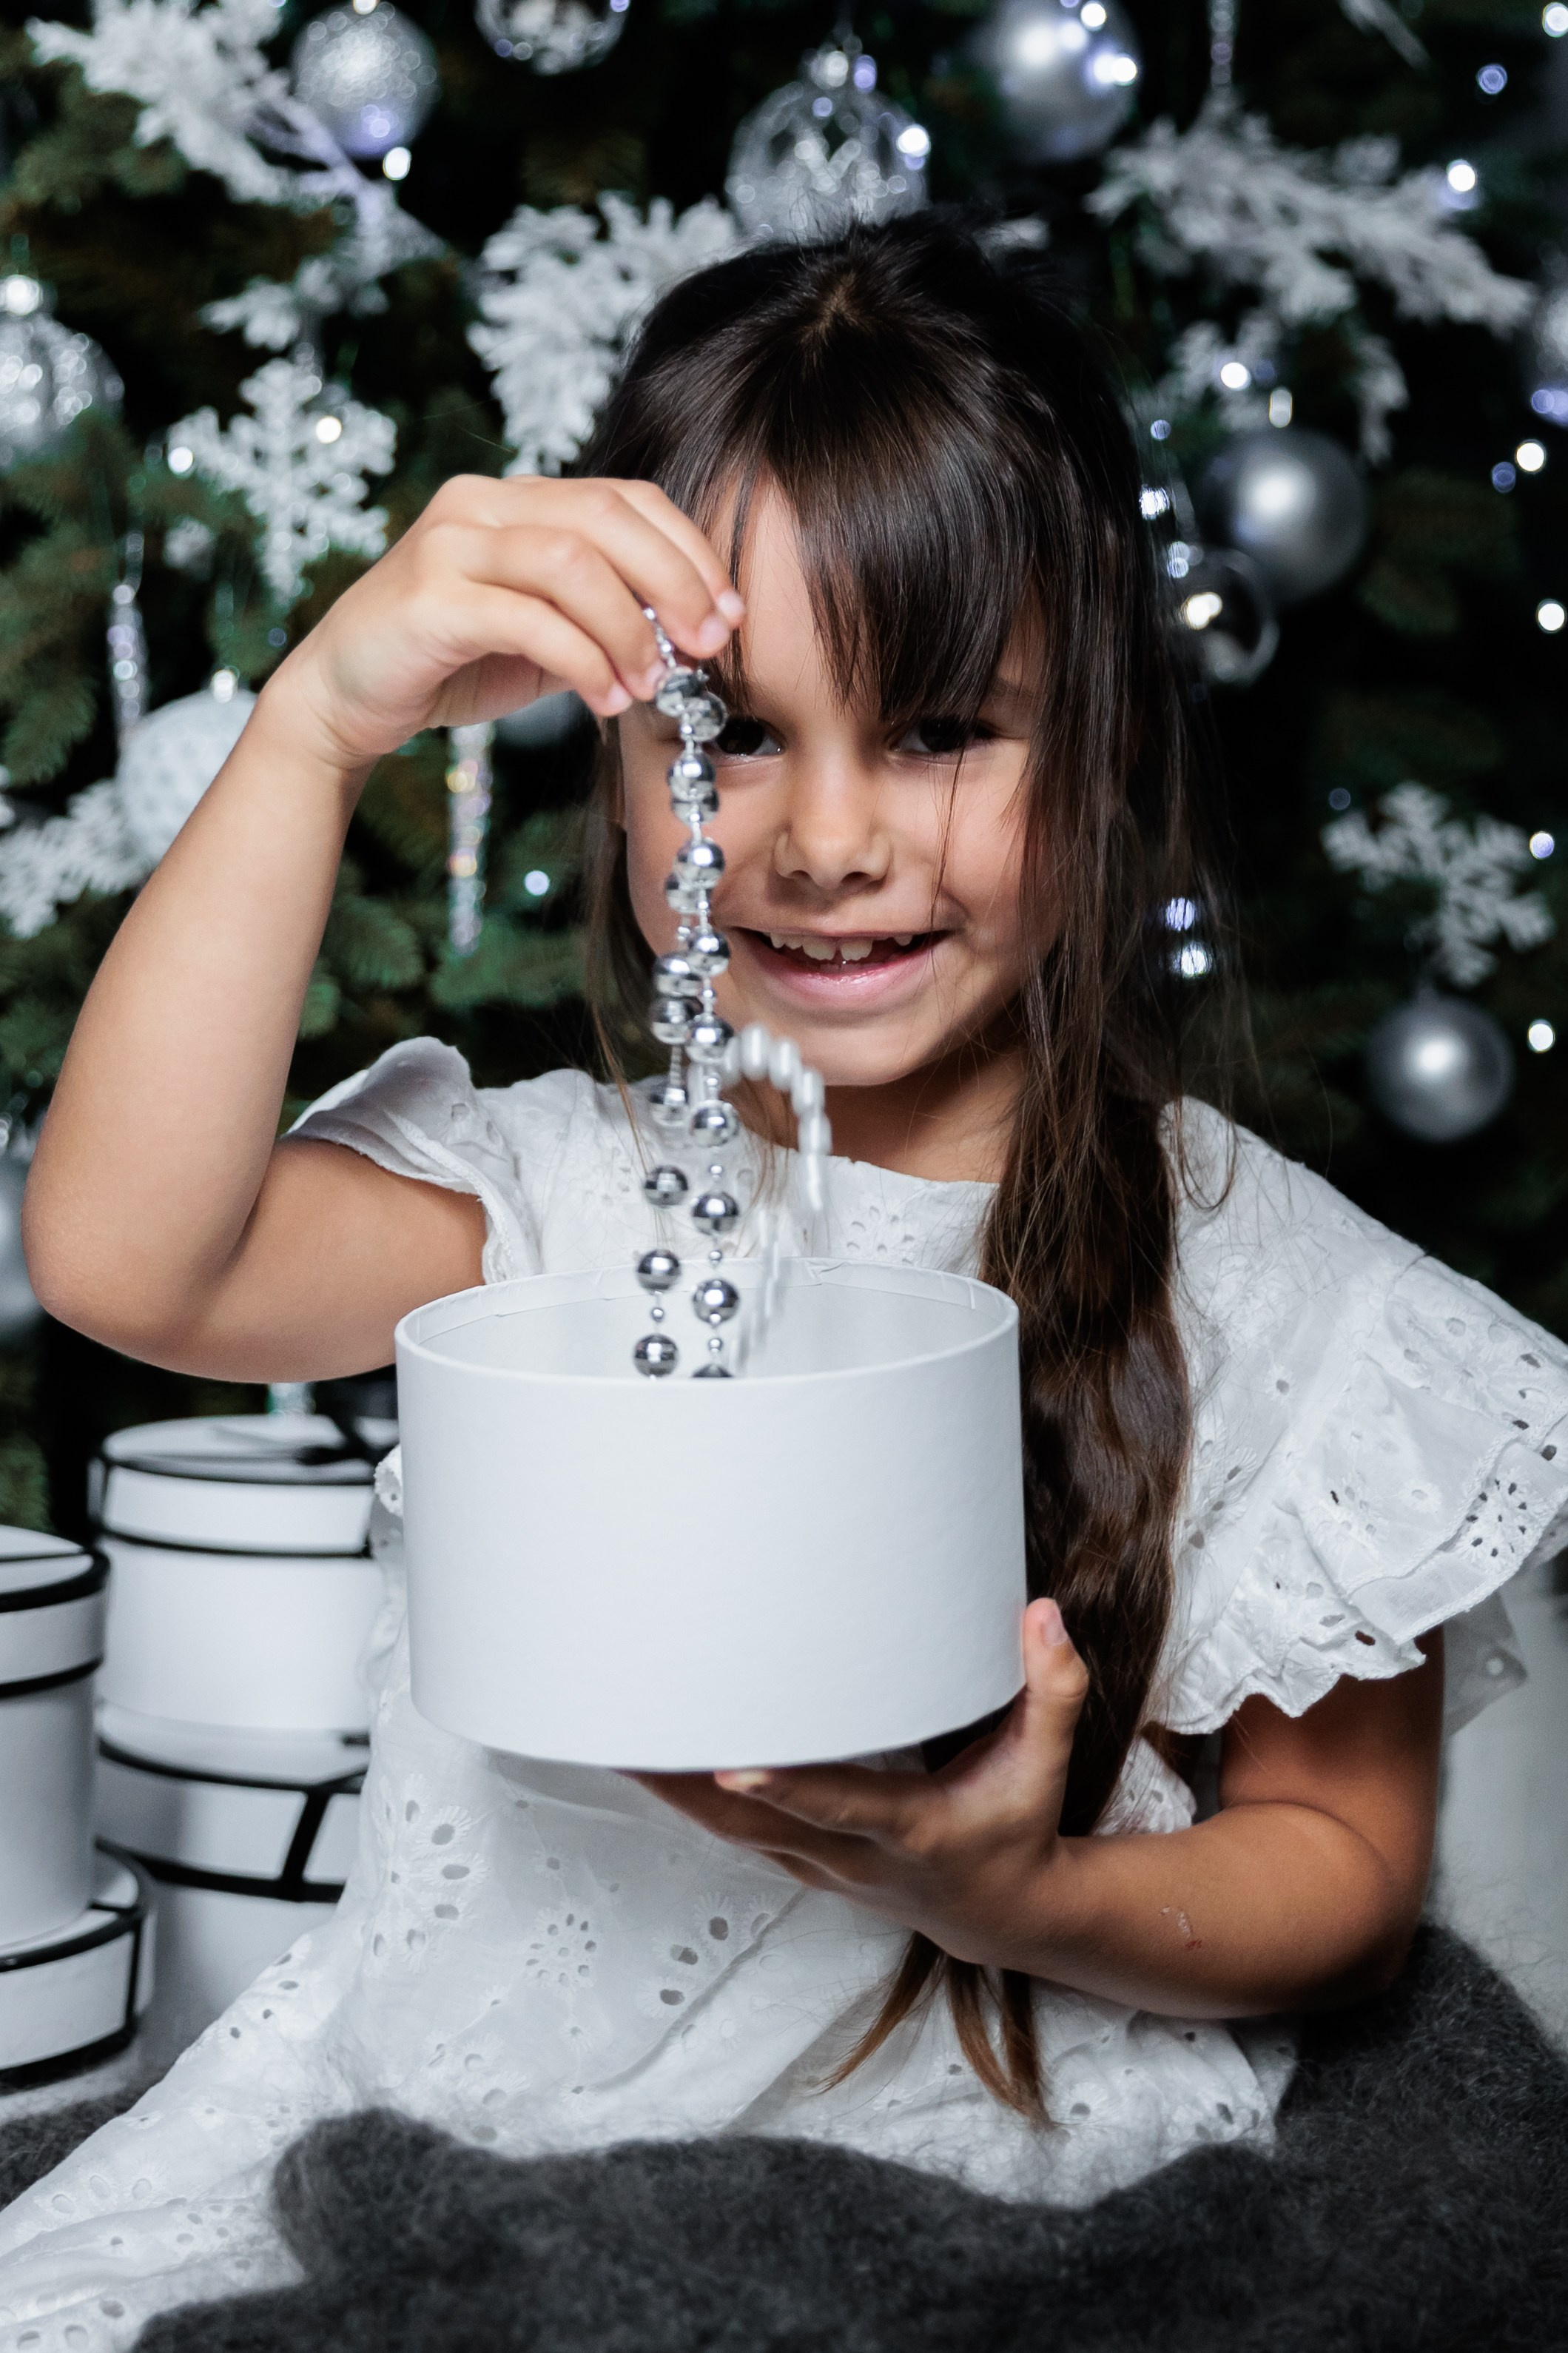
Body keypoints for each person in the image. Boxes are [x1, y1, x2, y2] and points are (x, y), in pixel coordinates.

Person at [2, 218, 1564, 2346]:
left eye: (936, 730)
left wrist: (1006, 1890)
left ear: (1096, 746)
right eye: (728, 734)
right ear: (620, 761)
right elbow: (123, 1258)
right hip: (437, 2119)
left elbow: (1339, 1874)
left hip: (968, 2165)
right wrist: (315, 728)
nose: (825, 836)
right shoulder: (547, 1199)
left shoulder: (1255, 1277)